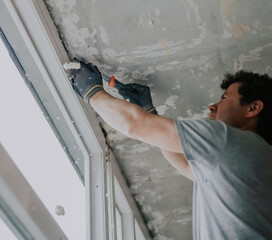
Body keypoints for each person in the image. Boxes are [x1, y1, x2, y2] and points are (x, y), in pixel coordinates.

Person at [69, 61, 272, 240]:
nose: (212, 106)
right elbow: (185, 165)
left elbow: (134, 124)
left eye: (224, 98)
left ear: (253, 108)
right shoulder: (253, 160)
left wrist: (92, 91)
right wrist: (150, 111)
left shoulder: (228, 139)